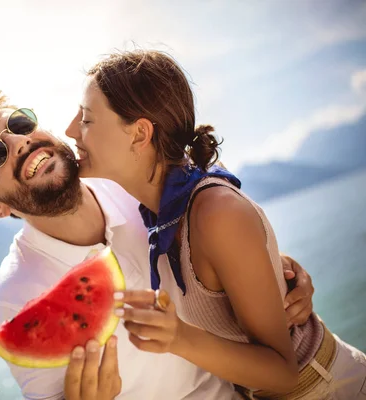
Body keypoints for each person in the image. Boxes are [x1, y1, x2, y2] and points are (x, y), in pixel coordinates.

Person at [0, 91, 318, 400]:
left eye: (19, 124)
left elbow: (209, 241)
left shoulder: (131, 184)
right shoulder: (11, 299)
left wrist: (271, 268)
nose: (18, 141)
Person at [66, 49, 366, 399]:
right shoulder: (162, 213)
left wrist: (178, 337)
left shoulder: (216, 211)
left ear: (139, 134)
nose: (71, 130)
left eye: (86, 119)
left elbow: (284, 374)